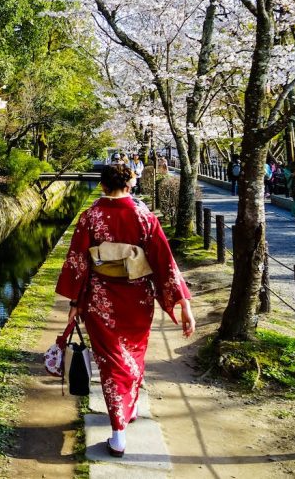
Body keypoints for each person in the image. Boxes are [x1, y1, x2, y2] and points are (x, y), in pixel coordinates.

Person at [56, 164, 195, 458]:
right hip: (137, 300)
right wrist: (182, 303)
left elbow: (78, 262)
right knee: (132, 357)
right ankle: (122, 421)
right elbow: (164, 260)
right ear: (130, 185)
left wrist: (74, 302)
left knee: (111, 363)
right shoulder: (144, 216)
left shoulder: (90, 217)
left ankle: (119, 431)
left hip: (100, 299)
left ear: (103, 186)